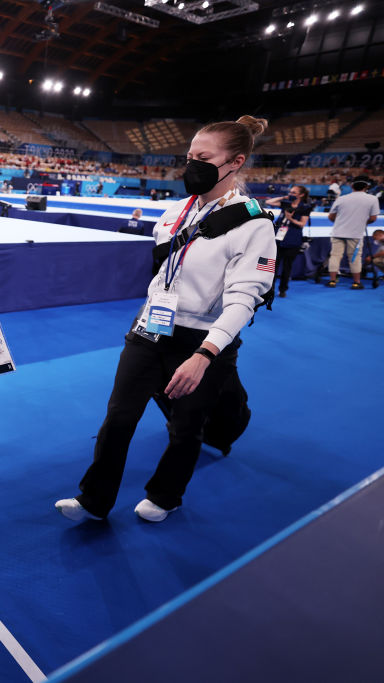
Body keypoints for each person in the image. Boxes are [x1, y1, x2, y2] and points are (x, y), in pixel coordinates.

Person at [55, 115, 276, 523]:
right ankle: (94, 500)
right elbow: (163, 273)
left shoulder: (253, 224)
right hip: (150, 330)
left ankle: (166, 495)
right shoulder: (176, 211)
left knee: (185, 426)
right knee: (118, 417)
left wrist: (205, 355)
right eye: (189, 157)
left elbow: (245, 299)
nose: (192, 165)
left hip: (202, 339)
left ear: (235, 162)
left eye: (203, 158)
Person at [326, 175, 379, 289]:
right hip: (356, 233)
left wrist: (340, 223)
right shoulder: (372, 199)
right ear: (367, 186)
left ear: (352, 186)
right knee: (354, 257)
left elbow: (331, 216)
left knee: (335, 256)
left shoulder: (341, 199)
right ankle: (356, 282)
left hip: (338, 232)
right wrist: (362, 223)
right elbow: (373, 218)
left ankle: (332, 281)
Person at [265, 185, 312, 297]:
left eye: (294, 192)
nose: (291, 194)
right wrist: (284, 197)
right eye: (290, 192)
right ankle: (269, 290)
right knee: (272, 266)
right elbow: (269, 202)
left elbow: (302, 224)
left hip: (293, 240)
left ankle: (283, 289)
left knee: (287, 267)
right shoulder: (286, 203)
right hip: (278, 239)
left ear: (301, 195)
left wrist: (290, 218)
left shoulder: (305, 207)